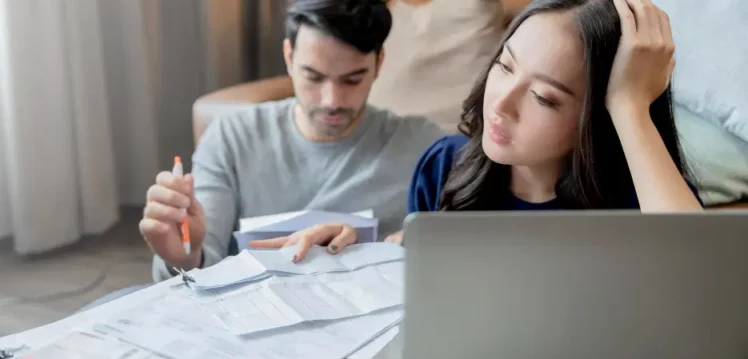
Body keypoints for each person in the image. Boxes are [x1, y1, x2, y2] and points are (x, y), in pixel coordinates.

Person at [252, 0, 704, 261]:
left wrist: (628, 104)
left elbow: (700, 278)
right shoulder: (445, 167)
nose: (501, 104)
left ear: (598, 115)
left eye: (544, 98)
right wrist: (362, 248)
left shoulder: (638, 199)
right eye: (504, 67)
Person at [139, 0, 444, 281]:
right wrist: (184, 256)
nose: (332, 101)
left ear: (379, 64)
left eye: (352, 79)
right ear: (289, 57)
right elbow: (198, 271)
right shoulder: (232, 137)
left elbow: (466, 256)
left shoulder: (424, 147)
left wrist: (385, 247)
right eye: (313, 77)